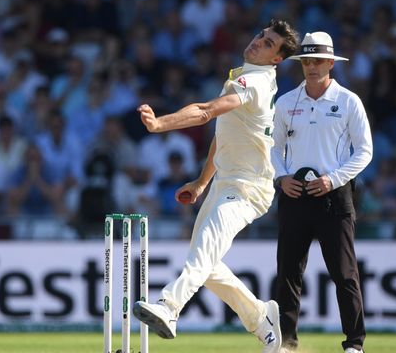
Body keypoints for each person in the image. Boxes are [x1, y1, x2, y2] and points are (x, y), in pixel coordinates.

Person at [132, 18, 300, 353]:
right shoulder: (244, 75)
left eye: (268, 44)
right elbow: (223, 134)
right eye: (260, 36)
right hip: (226, 181)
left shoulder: (253, 83)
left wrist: (159, 123)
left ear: (276, 59)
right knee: (205, 265)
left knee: (204, 250)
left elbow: (206, 112)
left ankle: (169, 306)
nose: (257, 42)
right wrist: (201, 181)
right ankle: (261, 318)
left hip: (248, 188)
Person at [270, 32, 373, 353]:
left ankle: (354, 344)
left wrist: (334, 179)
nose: (312, 67)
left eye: (318, 61)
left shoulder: (348, 101)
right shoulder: (287, 102)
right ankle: (287, 343)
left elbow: (365, 151)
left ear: (331, 63)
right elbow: (272, 148)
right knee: (287, 274)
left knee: (344, 274)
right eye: (306, 61)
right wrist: (281, 178)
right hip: (294, 195)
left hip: (334, 198)